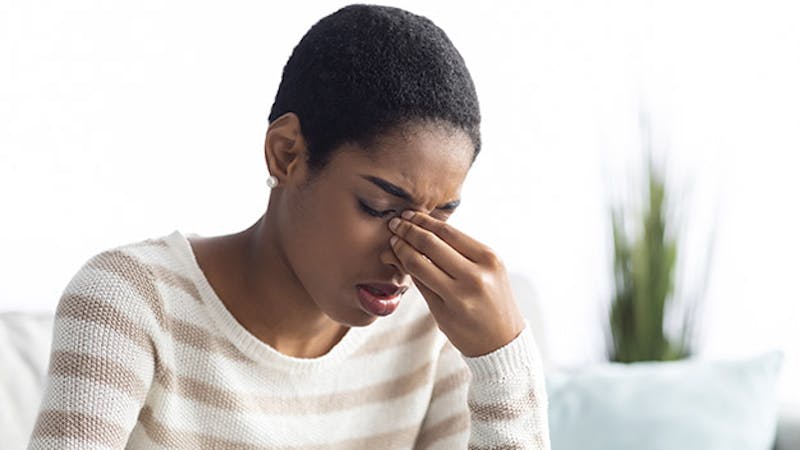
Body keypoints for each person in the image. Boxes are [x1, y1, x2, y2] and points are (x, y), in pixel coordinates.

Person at [28, 4, 550, 449]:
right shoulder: (133, 302)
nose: (407, 255)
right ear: (287, 154)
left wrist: (501, 357)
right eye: (377, 206)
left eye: (440, 217)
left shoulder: (432, 332)